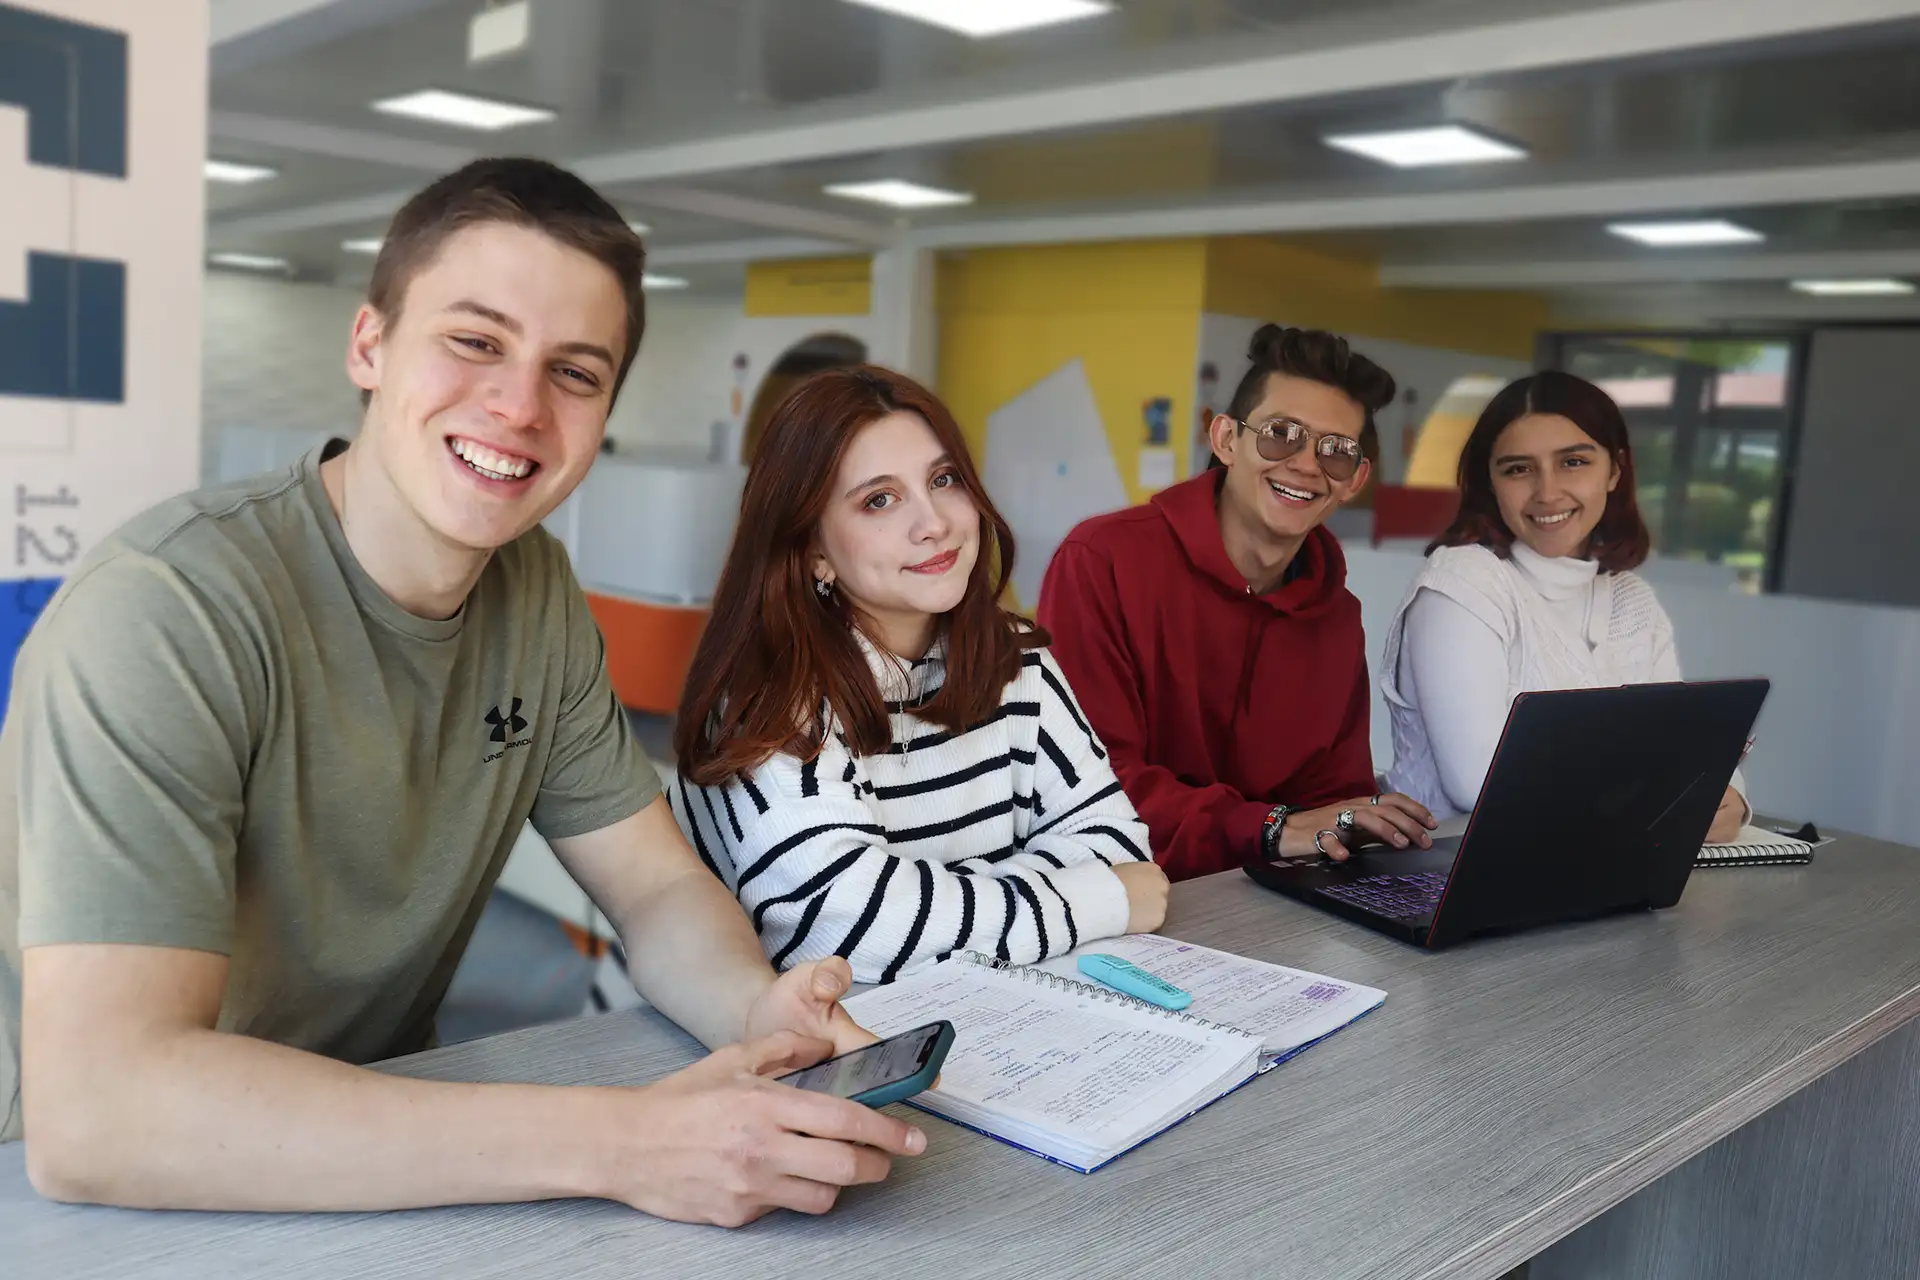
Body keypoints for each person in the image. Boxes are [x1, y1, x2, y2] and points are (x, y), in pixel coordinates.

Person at [0, 158, 923, 1225]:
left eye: (575, 372)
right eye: (475, 341)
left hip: (391, 1148)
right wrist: (624, 1139)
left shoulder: (535, 597)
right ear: (369, 344)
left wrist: (756, 1005)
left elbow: (656, 889)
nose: (520, 404)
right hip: (90, 1194)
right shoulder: (169, 607)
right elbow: (105, 1108)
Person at [671, 365, 1166, 985]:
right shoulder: (770, 699)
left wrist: (920, 911)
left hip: (992, 1026)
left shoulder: (1016, 658)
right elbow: (847, 934)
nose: (934, 522)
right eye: (879, 499)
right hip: (776, 1060)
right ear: (814, 551)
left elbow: (1117, 843)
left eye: (944, 479)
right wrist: (1095, 901)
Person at [1038, 325, 1436, 882]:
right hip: (1116, 894)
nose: (1305, 465)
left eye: (1337, 452)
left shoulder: (1337, 615)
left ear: (1355, 480)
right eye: (1280, 434)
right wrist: (1269, 827)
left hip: (1271, 899)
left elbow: (1335, 796)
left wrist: (1363, 823)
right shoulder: (1104, 559)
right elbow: (1090, 781)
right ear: (1226, 439)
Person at [1378, 370, 1750, 841]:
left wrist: (1728, 792)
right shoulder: (1463, 583)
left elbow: (1684, 748)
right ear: (1489, 482)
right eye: (1518, 469)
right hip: (1445, 881)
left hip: (1603, 869)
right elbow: (1484, 785)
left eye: (1573, 462)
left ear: (1614, 470)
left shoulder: (1631, 601)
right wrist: (1660, 784)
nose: (1547, 492)